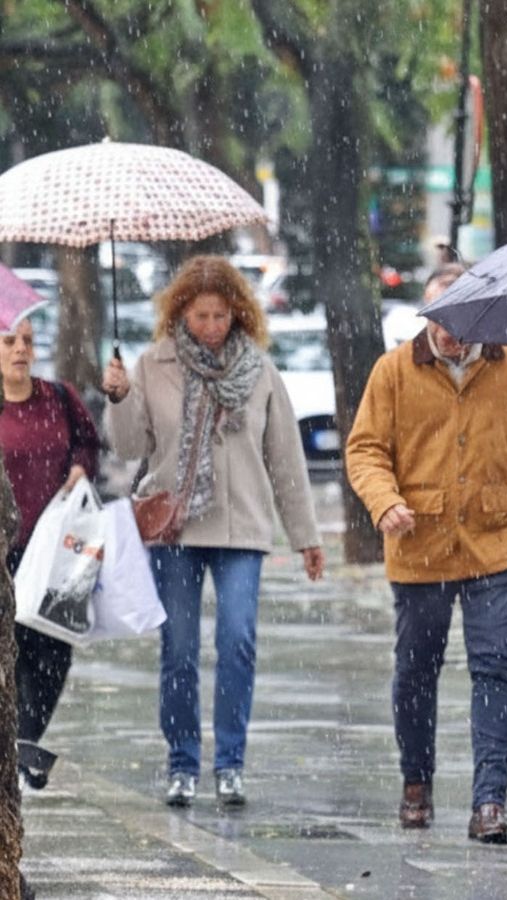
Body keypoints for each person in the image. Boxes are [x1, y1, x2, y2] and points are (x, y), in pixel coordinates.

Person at [344, 263, 507, 844]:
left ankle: (489, 801)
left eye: (465, 318)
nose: (453, 332)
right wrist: (384, 501)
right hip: (420, 546)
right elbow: (364, 449)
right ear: (427, 314)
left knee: (495, 667)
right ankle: (416, 780)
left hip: (496, 544)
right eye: (443, 319)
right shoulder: (393, 371)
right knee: (416, 671)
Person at [102, 255, 324, 809]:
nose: (210, 326)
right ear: (181, 311)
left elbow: (285, 459)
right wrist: (120, 396)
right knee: (178, 649)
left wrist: (306, 537)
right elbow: (130, 447)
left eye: (221, 315)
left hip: (243, 527)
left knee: (237, 641)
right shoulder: (155, 365)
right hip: (174, 526)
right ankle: (181, 763)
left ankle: (229, 764)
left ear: (238, 313)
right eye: (200, 315)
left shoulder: (259, 369)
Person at [1, 314, 101, 789]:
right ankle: (16, 752)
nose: (20, 349)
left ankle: (25, 746)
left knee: (54, 652)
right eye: (9, 341)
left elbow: (88, 443)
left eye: (27, 340)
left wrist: (81, 468)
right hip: (6, 552)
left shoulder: (58, 398)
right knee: (13, 654)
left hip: (56, 550)